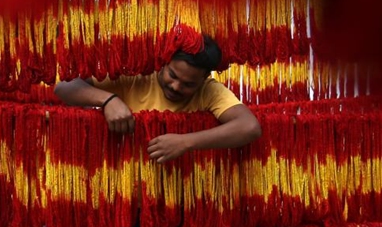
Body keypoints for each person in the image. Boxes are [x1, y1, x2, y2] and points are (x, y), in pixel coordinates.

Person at [53, 34, 262, 163]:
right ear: (164, 62)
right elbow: (64, 86)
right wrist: (108, 100)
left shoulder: (209, 91)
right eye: (172, 75)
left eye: (189, 84)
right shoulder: (135, 75)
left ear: (204, 78)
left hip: (176, 199)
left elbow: (249, 127)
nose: (176, 86)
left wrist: (186, 142)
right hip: (119, 189)